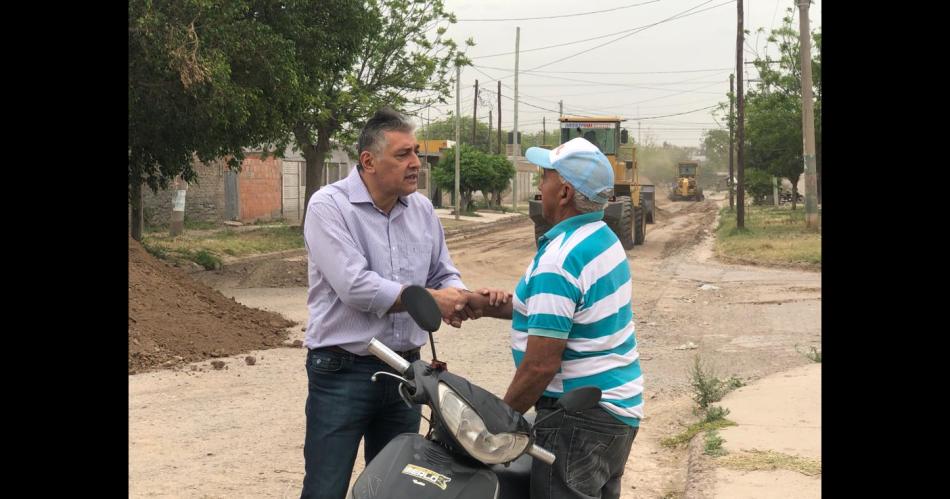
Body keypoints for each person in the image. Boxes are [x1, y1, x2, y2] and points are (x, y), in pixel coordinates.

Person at [300, 107, 479, 499]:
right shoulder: (328, 207)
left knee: (398, 489)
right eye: (403, 155)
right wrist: (433, 300)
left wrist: (459, 296)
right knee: (325, 489)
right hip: (342, 370)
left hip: (407, 375)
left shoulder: (423, 210)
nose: (415, 163)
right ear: (368, 161)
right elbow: (356, 287)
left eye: (415, 152)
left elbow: (442, 273)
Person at [471, 137, 644, 499]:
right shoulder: (601, 239)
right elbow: (557, 311)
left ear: (563, 192)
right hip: (615, 412)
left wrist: (497, 427)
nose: (539, 185)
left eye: (545, 177)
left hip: (578, 419)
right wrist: (479, 304)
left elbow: (540, 365)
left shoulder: (560, 259)